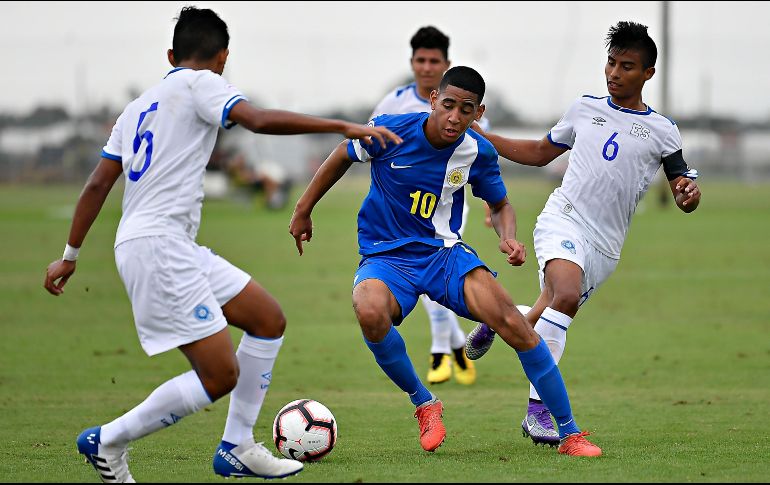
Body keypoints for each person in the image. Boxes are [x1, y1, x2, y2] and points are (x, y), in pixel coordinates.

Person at [43, 6, 401, 482]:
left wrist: (69, 256)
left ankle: (237, 445)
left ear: (170, 54)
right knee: (219, 375)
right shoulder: (201, 82)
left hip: (164, 245)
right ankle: (108, 441)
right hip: (159, 248)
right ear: (222, 58)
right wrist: (343, 126)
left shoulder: (136, 108)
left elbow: (96, 185)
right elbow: (255, 119)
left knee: (267, 319)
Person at [289, 66, 602, 457]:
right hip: (386, 256)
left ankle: (571, 434)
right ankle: (424, 403)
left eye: (466, 109)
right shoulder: (390, 131)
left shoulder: (477, 151)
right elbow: (341, 153)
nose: (455, 117)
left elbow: (500, 203)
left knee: (514, 324)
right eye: (449, 104)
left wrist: (507, 237)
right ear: (434, 99)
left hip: (443, 255)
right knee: (369, 310)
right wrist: (303, 209)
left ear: (478, 112)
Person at [465, 21, 702, 447]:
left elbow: (682, 186)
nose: (614, 73)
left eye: (626, 66)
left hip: (606, 247)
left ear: (647, 73)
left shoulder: (664, 131)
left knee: (554, 306)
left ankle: (502, 319)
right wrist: (486, 138)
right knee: (566, 296)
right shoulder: (584, 108)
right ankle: (539, 413)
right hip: (564, 217)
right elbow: (540, 154)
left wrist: (688, 194)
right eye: (610, 62)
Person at [370, 26, 492, 386]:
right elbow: (369, 146)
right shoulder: (393, 104)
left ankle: (441, 350)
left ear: (445, 64)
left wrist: (490, 204)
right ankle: (453, 345)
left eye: (433, 61)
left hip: (448, 202)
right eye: (420, 60)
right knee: (423, 275)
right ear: (412, 63)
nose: (426, 66)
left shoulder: (462, 106)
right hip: (400, 210)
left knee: (435, 265)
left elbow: (483, 156)